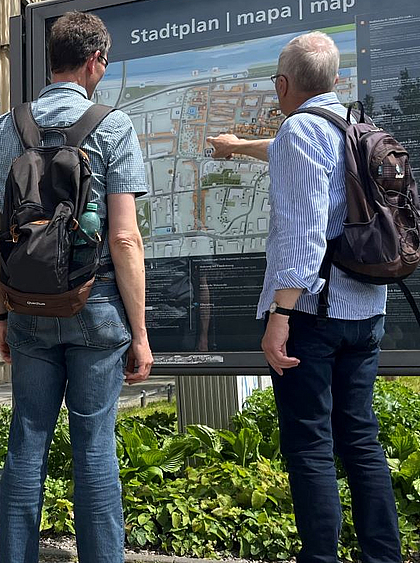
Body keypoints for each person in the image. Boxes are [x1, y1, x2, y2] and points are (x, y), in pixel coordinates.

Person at [208, 32, 402, 563]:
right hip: (367, 311)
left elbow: (304, 236)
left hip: (313, 317)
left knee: (310, 446)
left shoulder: (301, 131)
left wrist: (280, 314)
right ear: (335, 80)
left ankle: (321, 557)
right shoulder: (354, 129)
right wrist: (239, 148)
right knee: (360, 441)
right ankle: (382, 555)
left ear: (283, 84)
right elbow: (286, 154)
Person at [0, 12, 152, 563]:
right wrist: (140, 333)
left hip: (28, 309)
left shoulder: (4, 130)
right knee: (94, 447)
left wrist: (0, 317)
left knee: (26, 442)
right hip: (95, 304)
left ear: (52, 59)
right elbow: (124, 240)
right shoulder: (114, 127)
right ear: (95, 59)